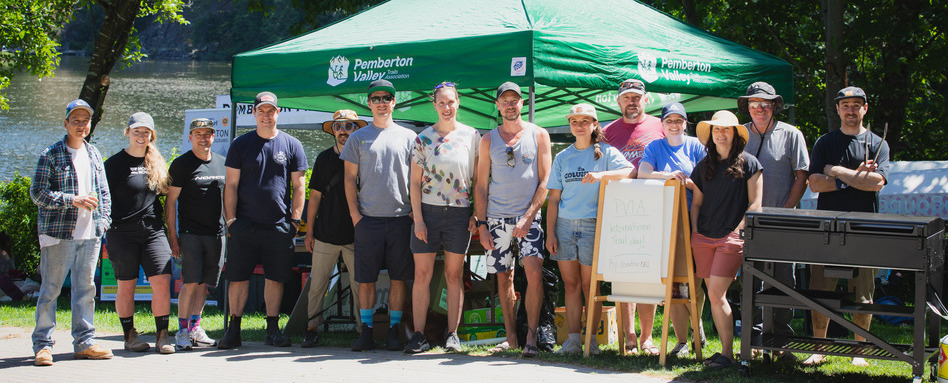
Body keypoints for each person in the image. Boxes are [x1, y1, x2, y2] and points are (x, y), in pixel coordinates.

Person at [803, 86, 889, 367]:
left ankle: (859, 351)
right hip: (827, 229)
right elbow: (814, 183)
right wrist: (855, 178)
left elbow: (876, 183)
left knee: (863, 294)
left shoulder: (879, 144)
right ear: (838, 109)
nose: (851, 110)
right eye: (845, 105)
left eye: (856, 105)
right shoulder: (825, 143)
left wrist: (836, 171)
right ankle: (819, 348)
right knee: (821, 290)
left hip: (866, 229)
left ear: (865, 108)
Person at [219, 91, 307, 349]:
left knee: (275, 278)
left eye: (271, 111)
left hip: (278, 225)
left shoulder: (292, 145)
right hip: (244, 224)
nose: (266, 115)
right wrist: (232, 220)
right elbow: (231, 185)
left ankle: (272, 329)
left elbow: (299, 186)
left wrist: (294, 221)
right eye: (261, 110)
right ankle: (233, 331)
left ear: (278, 113)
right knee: (238, 278)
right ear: (254, 113)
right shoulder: (240, 144)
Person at [29, 99, 114, 366]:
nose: (81, 125)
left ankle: (84, 342)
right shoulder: (51, 154)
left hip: (90, 235)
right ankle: (43, 345)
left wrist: (103, 223)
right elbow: (37, 193)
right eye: (75, 120)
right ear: (65, 123)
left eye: (85, 121)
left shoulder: (94, 153)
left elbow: (104, 193)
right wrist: (72, 200)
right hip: (58, 234)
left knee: (86, 289)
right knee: (51, 290)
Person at [545, 104, 632, 355]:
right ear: (570, 125)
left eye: (585, 120)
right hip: (563, 226)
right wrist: (550, 233)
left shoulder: (606, 152)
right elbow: (553, 200)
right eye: (575, 121)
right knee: (570, 284)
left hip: (593, 225)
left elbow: (630, 171)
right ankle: (573, 340)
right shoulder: (562, 157)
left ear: (595, 124)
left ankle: (591, 341)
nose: (579, 125)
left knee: (589, 286)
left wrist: (602, 175)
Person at [474, 81, 552, 357]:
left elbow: (546, 180)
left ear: (523, 103)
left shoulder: (539, 135)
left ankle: (531, 337)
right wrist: (482, 224)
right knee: (502, 277)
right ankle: (511, 337)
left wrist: (530, 216)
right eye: (504, 100)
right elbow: (481, 185)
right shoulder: (488, 140)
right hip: (495, 218)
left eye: (514, 100)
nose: (510, 104)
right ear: (497, 105)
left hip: (528, 217)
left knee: (533, 272)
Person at [404, 82, 480, 354]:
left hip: (459, 214)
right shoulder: (422, 139)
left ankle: (452, 336)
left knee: (453, 275)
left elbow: (480, 181)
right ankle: (419, 336)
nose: (447, 107)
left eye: (451, 102)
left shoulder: (473, 137)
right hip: (428, 213)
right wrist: (419, 220)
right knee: (421, 274)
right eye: (441, 103)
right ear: (434, 105)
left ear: (458, 102)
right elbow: (414, 183)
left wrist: (477, 215)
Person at [342, 80, 417, 352]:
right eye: (376, 98)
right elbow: (349, 180)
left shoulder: (409, 137)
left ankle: (394, 332)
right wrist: (355, 216)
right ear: (368, 103)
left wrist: (413, 212)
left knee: (399, 279)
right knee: (366, 280)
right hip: (368, 220)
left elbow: (418, 180)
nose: (382, 102)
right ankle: (367, 332)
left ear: (394, 102)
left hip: (400, 219)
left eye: (387, 97)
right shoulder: (357, 138)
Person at [738, 82, 810, 361]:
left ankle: (782, 341)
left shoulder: (791, 134)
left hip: (783, 223)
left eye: (765, 103)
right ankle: (753, 340)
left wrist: (785, 211)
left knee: (783, 281)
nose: (760, 108)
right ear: (747, 106)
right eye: (754, 103)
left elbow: (801, 176)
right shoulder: (739, 134)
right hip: (747, 224)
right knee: (750, 281)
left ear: (774, 106)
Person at [689, 110, 762, 368]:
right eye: (716, 129)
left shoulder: (750, 163)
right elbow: (696, 204)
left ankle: (729, 354)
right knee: (714, 294)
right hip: (703, 238)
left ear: (735, 134)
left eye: (726, 129)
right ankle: (727, 352)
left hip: (732, 238)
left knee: (717, 293)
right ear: (711, 135)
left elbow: (755, 204)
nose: (721, 133)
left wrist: (738, 232)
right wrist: (696, 232)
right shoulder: (702, 167)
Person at [636, 102, 707, 357]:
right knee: (675, 283)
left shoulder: (697, 146)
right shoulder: (655, 146)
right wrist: (667, 176)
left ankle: (697, 331)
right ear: (662, 125)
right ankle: (681, 341)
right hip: (665, 219)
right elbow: (643, 173)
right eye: (669, 121)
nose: (674, 125)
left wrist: (688, 183)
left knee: (694, 280)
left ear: (685, 123)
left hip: (694, 218)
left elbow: (707, 180)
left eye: (679, 120)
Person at [601, 79, 665, 355]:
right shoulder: (606, 133)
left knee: (648, 273)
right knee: (621, 273)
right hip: (619, 210)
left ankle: (648, 336)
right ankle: (628, 335)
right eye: (627, 97)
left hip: (654, 206)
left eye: (636, 97)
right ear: (618, 101)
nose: (632, 102)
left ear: (645, 99)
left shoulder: (659, 127)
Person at [104, 112, 175, 354]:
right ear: (128, 133)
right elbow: (103, 199)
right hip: (121, 233)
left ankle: (162, 335)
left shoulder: (156, 162)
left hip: (153, 232)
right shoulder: (112, 165)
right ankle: (129, 335)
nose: (141, 136)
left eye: (146, 132)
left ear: (151, 135)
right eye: (136, 131)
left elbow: (167, 198)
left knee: (163, 282)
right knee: (126, 285)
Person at [301, 110, 366, 348]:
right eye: (339, 127)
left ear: (356, 129)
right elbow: (314, 196)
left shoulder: (364, 156)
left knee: (361, 285)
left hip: (355, 235)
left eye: (348, 126)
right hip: (325, 233)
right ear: (333, 130)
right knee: (317, 284)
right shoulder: (323, 159)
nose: (343, 131)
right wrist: (309, 231)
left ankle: (363, 331)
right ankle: (311, 328)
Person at [165, 118, 225, 350]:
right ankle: (181, 331)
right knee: (190, 283)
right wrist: (173, 236)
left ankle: (194, 328)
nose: (203, 138)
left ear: (213, 136)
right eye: (197, 134)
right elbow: (170, 203)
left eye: (207, 134)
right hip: (190, 234)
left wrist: (230, 227)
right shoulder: (181, 164)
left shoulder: (222, 163)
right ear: (190, 137)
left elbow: (228, 198)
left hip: (217, 234)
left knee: (204, 285)